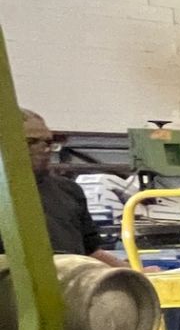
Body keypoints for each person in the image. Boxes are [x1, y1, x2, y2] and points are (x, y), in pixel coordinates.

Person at [22, 110, 119, 263]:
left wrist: (137, 275)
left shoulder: (69, 190)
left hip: (71, 281)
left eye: (48, 142)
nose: (45, 149)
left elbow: (91, 251)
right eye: (31, 142)